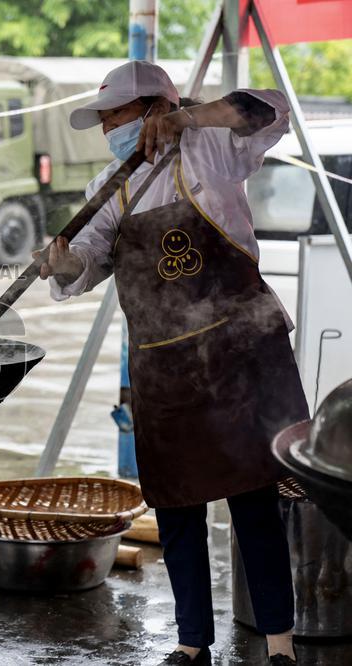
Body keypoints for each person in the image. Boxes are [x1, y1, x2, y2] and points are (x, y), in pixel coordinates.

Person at [37, 60, 305, 666]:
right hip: (166, 369)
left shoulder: (210, 150)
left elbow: (270, 107)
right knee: (178, 507)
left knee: (254, 502)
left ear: (156, 108)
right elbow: (86, 261)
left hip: (240, 356)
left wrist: (191, 117)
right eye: (104, 120)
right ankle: (191, 643)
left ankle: (280, 644)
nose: (109, 128)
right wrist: (61, 264)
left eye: (117, 116)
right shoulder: (111, 187)